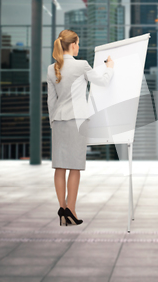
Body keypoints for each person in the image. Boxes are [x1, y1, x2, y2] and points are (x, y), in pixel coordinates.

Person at [47, 29, 114, 226]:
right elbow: (102, 81)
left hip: (59, 121)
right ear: (73, 45)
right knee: (74, 167)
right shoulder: (81, 65)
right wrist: (109, 67)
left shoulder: (52, 68)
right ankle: (71, 210)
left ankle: (62, 210)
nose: (79, 47)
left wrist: (53, 122)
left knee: (59, 166)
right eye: (78, 44)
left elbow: (51, 101)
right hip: (77, 121)